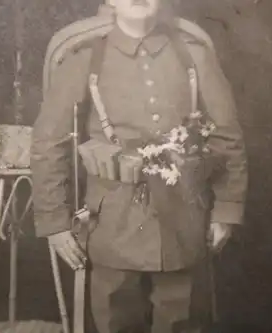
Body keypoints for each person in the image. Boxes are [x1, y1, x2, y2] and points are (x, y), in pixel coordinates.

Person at [30, 0, 248, 332]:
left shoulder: (194, 55)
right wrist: (54, 222)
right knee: (115, 321)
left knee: (182, 321)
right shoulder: (85, 60)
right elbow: (49, 142)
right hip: (111, 223)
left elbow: (227, 137)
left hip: (183, 221)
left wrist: (227, 210)